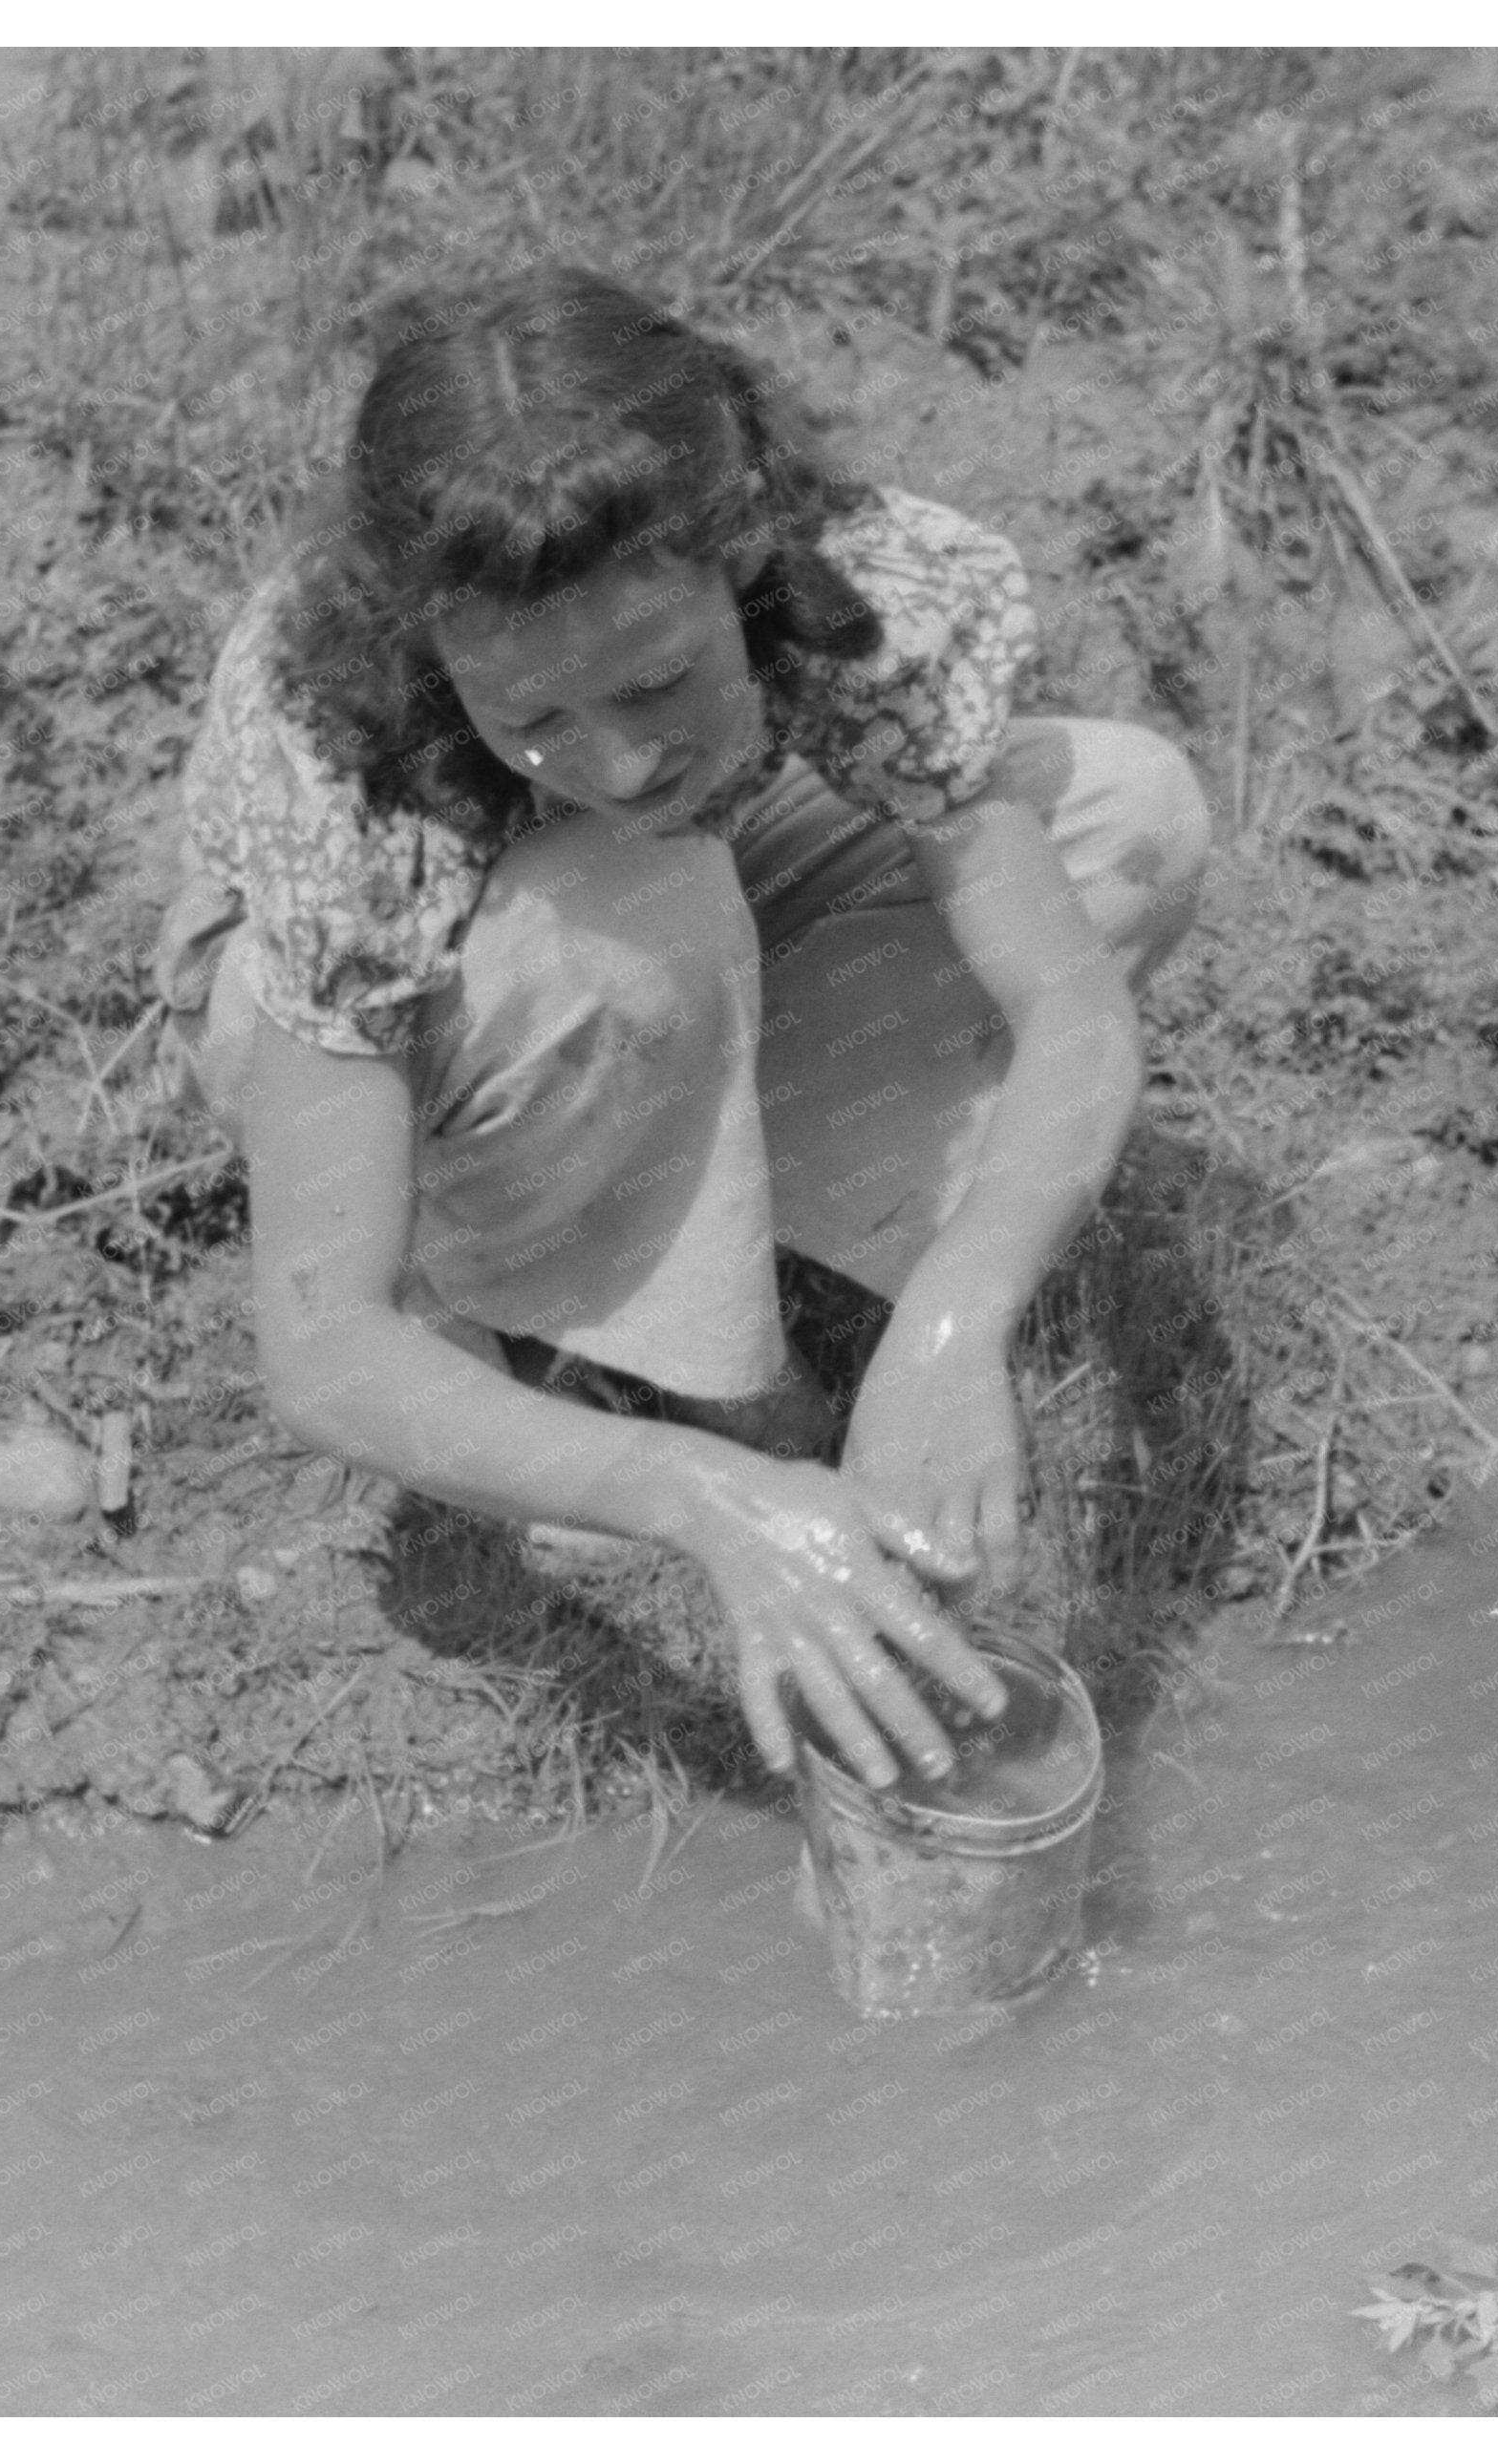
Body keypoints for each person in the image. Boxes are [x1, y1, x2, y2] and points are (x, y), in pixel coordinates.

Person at [153, 267, 1209, 1795]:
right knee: (649, 900)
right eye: (533, 719)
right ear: (433, 648)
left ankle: (746, 1233)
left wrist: (960, 1314)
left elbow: (1069, 1003)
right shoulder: (338, 744)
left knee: (1124, 817)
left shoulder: (849, 583)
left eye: (662, 682)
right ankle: (605, 1346)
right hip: (381, 1044)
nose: (620, 758)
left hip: (666, 924)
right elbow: (320, 1353)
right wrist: (701, 1496)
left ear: (744, 552)